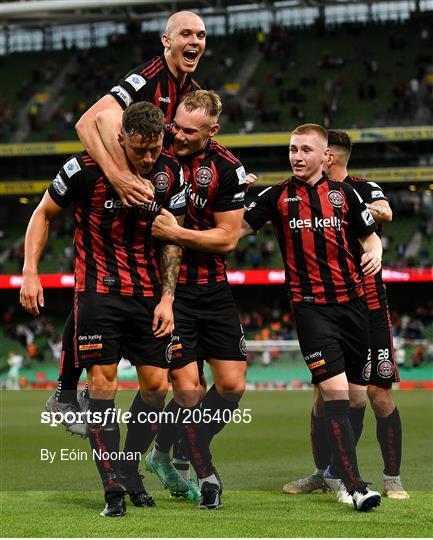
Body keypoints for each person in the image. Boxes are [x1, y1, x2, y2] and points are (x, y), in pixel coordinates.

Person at [20, 102, 186, 517]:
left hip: (148, 294)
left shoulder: (171, 173)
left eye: (155, 149)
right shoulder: (82, 169)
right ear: (120, 138)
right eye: (139, 150)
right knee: (103, 386)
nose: (148, 159)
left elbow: (171, 239)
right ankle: (112, 485)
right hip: (97, 291)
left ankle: (129, 470)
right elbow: (42, 214)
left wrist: (168, 298)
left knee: (156, 387)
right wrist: (30, 270)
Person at [45, 10, 207, 433]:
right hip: (118, 198)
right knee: (95, 286)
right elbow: (89, 120)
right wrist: (119, 175)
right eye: (186, 33)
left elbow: (190, 141)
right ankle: (65, 392)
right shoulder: (148, 77)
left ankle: (119, 444)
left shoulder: (191, 91)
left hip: (155, 198)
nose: (195, 41)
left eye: (202, 35)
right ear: (166, 41)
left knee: (124, 288)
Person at [96, 90, 249, 510]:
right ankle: (194, 469)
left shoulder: (228, 168)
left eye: (188, 131)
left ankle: (167, 449)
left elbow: (228, 238)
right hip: (167, 291)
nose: (176, 135)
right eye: (174, 126)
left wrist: (175, 233)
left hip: (213, 289)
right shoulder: (151, 153)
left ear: (212, 132)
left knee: (233, 386)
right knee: (181, 389)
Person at [241, 123, 382, 512]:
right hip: (310, 308)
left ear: (326, 157)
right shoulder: (276, 197)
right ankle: (354, 485)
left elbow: (370, 235)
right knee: (335, 395)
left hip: (354, 307)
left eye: (305, 149)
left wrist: (376, 251)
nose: (297, 156)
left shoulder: (345, 195)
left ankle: (333, 472)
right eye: (292, 149)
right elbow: (231, 231)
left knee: (356, 400)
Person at [282, 129, 408, 500]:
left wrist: (340, 207)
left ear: (328, 158)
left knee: (377, 395)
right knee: (326, 396)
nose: (303, 156)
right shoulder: (294, 196)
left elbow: (385, 211)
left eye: (313, 150)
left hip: (369, 306)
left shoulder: (360, 189)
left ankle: (392, 478)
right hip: (326, 307)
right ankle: (327, 474)